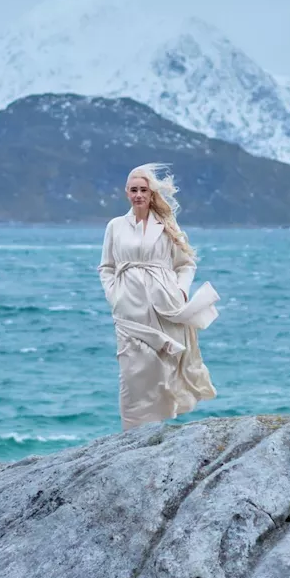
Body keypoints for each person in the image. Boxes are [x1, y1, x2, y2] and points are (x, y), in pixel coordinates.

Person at [98, 163, 219, 430]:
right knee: (131, 370)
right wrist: (114, 294)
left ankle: (158, 427)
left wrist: (180, 290)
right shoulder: (115, 226)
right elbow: (106, 267)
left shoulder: (166, 225)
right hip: (128, 306)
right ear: (126, 193)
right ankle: (130, 430)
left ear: (151, 194)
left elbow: (186, 264)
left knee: (162, 370)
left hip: (164, 303)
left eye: (143, 189)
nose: (138, 194)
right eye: (133, 190)